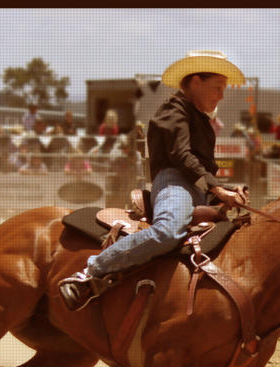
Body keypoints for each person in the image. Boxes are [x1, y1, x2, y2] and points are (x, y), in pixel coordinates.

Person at [60, 50, 248, 310]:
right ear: (196, 81)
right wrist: (217, 188)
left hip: (193, 187)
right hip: (174, 183)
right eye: (217, 87)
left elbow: (198, 166)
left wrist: (225, 190)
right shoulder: (173, 110)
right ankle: (90, 273)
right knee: (168, 231)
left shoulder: (197, 117)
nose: (221, 96)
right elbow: (181, 156)